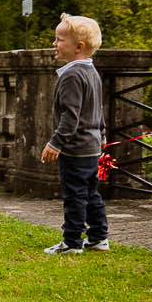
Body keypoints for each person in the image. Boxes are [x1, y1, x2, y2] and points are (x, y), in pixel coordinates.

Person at [41, 15, 110, 254]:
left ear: (79, 47)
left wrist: (55, 143)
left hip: (75, 148)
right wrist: (101, 134)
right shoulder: (91, 71)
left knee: (74, 195)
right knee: (91, 192)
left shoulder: (71, 75)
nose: (54, 43)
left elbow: (71, 117)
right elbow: (97, 108)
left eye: (60, 40)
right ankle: (99, 237)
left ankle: (71, 242)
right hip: (90, 146)